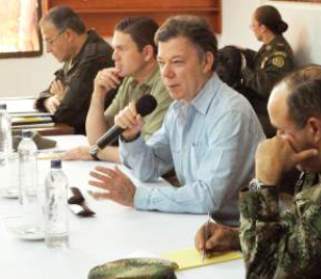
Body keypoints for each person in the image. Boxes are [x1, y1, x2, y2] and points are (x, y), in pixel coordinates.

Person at [195, 65, 321, 278]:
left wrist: (263, 183)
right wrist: (236, 238)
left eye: (282, 130)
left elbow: (264, 273)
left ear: (314, 129)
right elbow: (301, 233)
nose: (275, 141)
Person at [86, 16, 265, 226]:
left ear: (206, 62)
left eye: (177, 62)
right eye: (161, 63)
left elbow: (208, 198)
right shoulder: (179, 107)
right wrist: (132, 137)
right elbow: (148, 169)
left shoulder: (231, 112)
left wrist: (137, 197)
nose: (166, 73)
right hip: (197, 224)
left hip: (236, 236)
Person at [62, 16, 173, 163]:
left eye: (121, 49)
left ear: (146, 53)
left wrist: (95, 152)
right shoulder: (130, 80)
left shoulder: (166, 84)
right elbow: (98, 139)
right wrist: (98, 93)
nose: (114, 56)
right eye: (114, 49)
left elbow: (146, 154)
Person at [35, 5, 113, 134]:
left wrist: (60, 101)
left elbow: (66, 114)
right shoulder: (73, 57)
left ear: (68, 35)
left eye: (50, 41)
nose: (48, 49)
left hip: (94, 138)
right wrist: (49, 100)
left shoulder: (94, 58)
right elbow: (46, 93)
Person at [242, 5, 295, 137]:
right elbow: (260, 61)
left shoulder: (279, 53)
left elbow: (267, 87)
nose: (252, 29)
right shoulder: (270, 46)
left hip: (269, 112)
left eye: (253, 25)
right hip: (261, 106)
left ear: (263, 28)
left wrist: (243, 69)